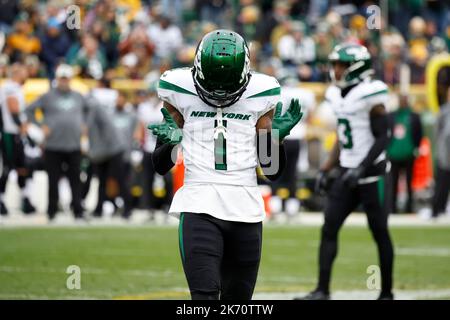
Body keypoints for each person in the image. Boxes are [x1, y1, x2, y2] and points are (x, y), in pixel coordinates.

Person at [149, 30, 302, 300]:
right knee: (204, 298)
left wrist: (274, 141)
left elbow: (272, 171)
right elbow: (161, 165)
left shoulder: (262, 92)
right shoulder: (177, 87)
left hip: (246, 208)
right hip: (199, 204)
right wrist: (171, 143)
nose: (219, 94)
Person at [298, 44, 395, 300]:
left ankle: (386, 292)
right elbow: (342, 138)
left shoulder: (370, 94)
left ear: (356, 68)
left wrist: (362, 168)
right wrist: (325, 169)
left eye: (341, 64)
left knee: (379, 232)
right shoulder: (336, 95)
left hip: (373, 175)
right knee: (329, 228)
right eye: (335, 64)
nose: (336, 69)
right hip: (347, 173)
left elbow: (384, 137)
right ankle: (322, 290)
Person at [26, 64, 87, 221]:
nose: (64, 82)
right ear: (57, 79)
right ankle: (52, 212)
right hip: (53, 145)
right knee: (53, 180)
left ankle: (77, 211)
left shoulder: (78, 96)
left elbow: (89, 111)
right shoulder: (48, 96)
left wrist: (84, 124)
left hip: (73, 144)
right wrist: (40, 127)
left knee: (75, 180)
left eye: (67, 79)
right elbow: (29, 110)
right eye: (62, 78)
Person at [85, 92, 132, 219]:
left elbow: (107, 131)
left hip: (113, 149)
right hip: (102, 151)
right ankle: (99, 209)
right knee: (102, 181)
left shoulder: (96, 110)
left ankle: (128, 208)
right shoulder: (94, 111)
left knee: (120, 180)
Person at [0, 63, 36, 215]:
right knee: (9, 168)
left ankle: (25, 198)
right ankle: (1, 199)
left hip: (16, 132)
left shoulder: (16, 88)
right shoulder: (10, 87)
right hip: (10, 132)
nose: (26, 74)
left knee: (22, 167)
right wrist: (22, 128)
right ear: (16, 73)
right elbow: (13, 109)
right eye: (23, 71)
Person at [387, 94, 423, 213]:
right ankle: (392, 208)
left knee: (409, 182)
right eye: (401, 100)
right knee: (393, 182)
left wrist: (416, 148)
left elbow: (419, 133)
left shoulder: (414, 116)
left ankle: (409, 207)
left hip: (408, 155)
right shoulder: (392, 116)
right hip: (393, 155)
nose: (402, 102)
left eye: (404, 100)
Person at [432, 89, 450, 218]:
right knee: (441, 184)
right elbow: (438, 134)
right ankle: (437, 209)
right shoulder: (444, 111)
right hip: (445, 154)